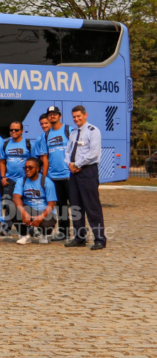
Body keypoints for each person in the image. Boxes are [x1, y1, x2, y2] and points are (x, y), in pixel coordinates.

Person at [65, 105, 106, 250]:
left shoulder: (93, 131)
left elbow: (93, 153)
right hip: (74, 173)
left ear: (85, 115)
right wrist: (69, 164)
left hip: (88, 172)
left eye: (78, 116)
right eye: (74, 117)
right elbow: (68, 150)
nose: (76, 119)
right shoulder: (73, 132)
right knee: (76, 206)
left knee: (92, 206)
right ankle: (79, 237)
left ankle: (100, 239)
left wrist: (77, 164)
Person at [39, 106, 74, 241]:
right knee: (60, 207)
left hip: (68, 176)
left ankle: (79, 233)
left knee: (75, 204)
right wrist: (45, 177)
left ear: (60, 116)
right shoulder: (46, 136)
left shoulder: (68, 130)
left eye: (55, 114)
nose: (52, 116)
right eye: (50, 114)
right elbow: (45, 158)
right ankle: (64, 233)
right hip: (53, 177)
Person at [13, 158, 57, 245]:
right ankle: (25, 235)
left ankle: (43, 234)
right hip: (28, 210)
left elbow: (51, 204)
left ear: (38, 169)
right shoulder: (21, 180)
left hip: (43, 211)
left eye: (30, 167)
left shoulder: (47, 182)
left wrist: (41, 217)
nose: (27, 170)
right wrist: (24, 213)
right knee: (11, 208)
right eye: (25, 167)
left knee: (47, 225)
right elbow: (16, 198)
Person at [0, 121, 32, 233]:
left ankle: (29, 226)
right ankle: (7, 227)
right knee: (8, 204)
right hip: (10, 179)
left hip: (25, 180)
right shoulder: (6, 144)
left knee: (26, 203)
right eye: (11, 130)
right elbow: (2, 162)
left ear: (22, 131)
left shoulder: (28, 143)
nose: (13, 132)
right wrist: (3, 177)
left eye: (16, 130)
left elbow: (34, 162)